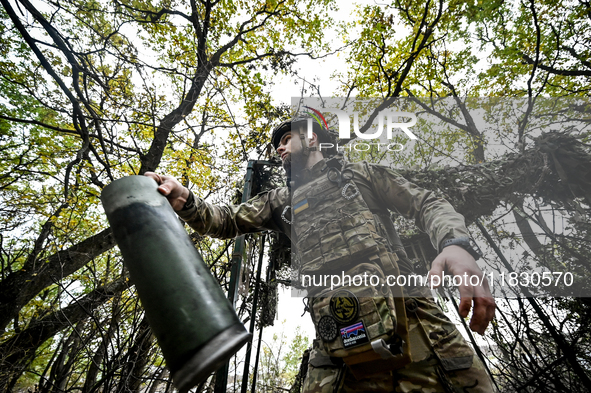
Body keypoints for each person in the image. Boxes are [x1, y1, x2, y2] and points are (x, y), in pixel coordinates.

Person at [145, 117, 496, 392]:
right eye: (277, 146)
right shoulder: (279, 200)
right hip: (338, 342)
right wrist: (185, 200)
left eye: (287, 140)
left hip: (416, 326)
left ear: (312, 138)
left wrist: (455, 244)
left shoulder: (360, 175)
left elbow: (426, 203)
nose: (279, 150)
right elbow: (223, 220)